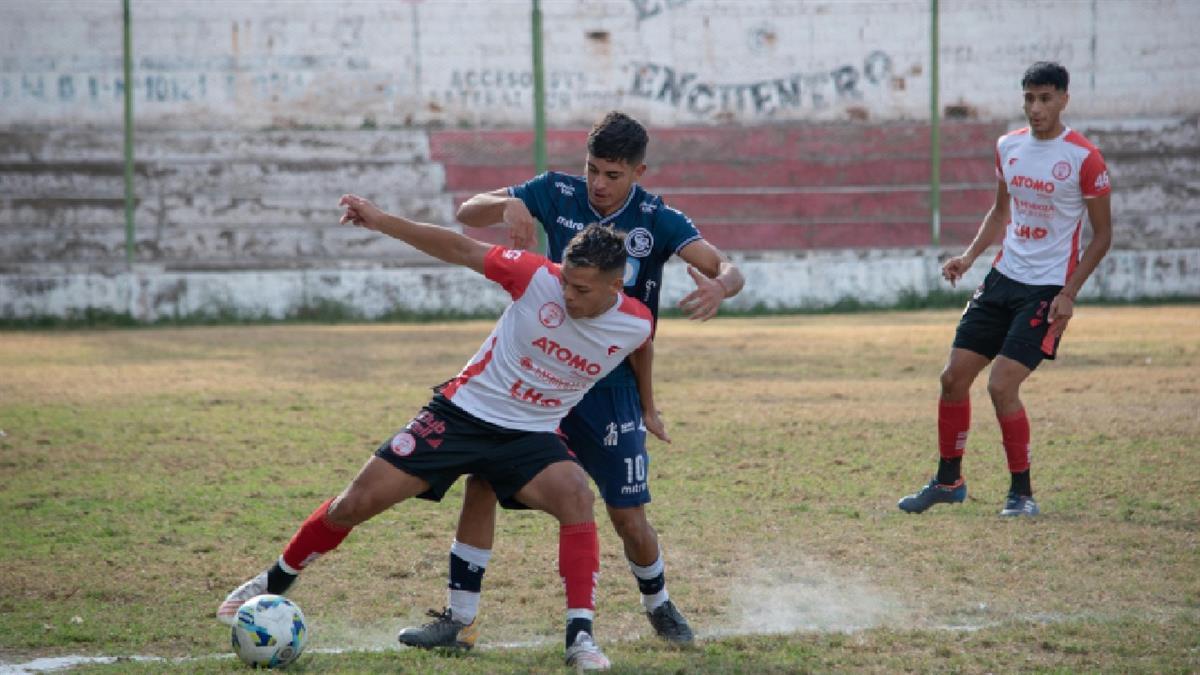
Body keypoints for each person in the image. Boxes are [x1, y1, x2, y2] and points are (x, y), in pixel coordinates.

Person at [216, 194, 658, 671]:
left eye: (583, 290)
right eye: (567, 282)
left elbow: (640, 347)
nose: (569, 295)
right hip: (461, 414)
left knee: (576, 496)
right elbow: (459, 248)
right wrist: (382, 220)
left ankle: (579, 638)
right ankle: (271, 582)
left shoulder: (635, 322)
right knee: (354, 504)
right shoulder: (536, 277)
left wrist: (650, 407)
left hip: (529, 435)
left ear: (616, 284)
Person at [397, 110, 745, 649]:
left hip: (610, 387)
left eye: (613, 175)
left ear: (639, 172)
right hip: (538, 380)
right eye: (592, 170)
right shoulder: (554, 191)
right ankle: (457, 617)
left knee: (628, 515)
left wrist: (722, 288)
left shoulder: (658, 220)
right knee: (484, 479)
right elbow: (469, 212)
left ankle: (659, 603)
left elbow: (723, 265)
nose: (599, 185)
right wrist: (507, 203)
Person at [898, 61, 1112, 517]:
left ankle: (1021, 493)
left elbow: (1103, 235)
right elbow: (999, 214)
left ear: (1063, 100)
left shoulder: (1084, 158)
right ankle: (948, 481)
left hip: (1046, 290)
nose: (1036, 108)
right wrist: (969, 258)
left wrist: (1069, 292)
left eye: (1046, 98)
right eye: (1030, 98)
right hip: (1002, 280)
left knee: (1001, 385)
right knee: (952, 379)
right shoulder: (1008, 146)